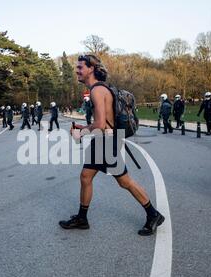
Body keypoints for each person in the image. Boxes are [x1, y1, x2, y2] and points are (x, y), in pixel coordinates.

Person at [59, 54, 164, 237]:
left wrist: (80, 133)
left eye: (80, 67)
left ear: (91, 69)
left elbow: (100, 124)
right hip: (104, 140)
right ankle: (82, 218)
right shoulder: (102, 88)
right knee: (86, 177)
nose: (77, 70)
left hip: (106, 141)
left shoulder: (97, 91)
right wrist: (84, 127)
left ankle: (153, 214)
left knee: (124, 181)